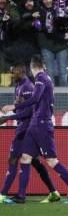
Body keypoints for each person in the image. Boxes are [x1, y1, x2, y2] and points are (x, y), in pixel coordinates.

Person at [1, 56, 68, 204]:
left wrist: (14, 107)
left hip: (42, 124)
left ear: (32, 67)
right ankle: (21, 196)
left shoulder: (40, 78)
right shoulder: (46, 78)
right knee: (25, 157)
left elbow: (35, 98)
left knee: (51, 161)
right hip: (35, 125)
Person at [0, 63, 60, 204]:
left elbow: (29, 112)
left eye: (13, 72)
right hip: (24, 127)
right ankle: (53, 191)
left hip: (27, 129)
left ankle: (3, 195)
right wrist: (14, 111)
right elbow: (22, 108)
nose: (11, 74)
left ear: (20, 71)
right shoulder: (18, 85)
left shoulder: (28, 86)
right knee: (35, 162)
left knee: (14, 159)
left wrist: (8, 117)